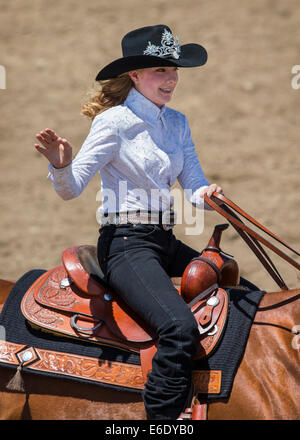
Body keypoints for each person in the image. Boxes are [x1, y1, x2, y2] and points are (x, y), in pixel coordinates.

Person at [34, 25, 223, 420]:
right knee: (179, 329)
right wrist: (60, 162)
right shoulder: (113, 122)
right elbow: (71, 189)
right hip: (126, 244)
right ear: (134, 75)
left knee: (241, 296)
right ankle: (162, 421)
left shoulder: (178, 123)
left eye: (174, 70)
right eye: (160, 70)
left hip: (166, 240)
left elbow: (193, 186)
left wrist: (209, 197)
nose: (171, 79)